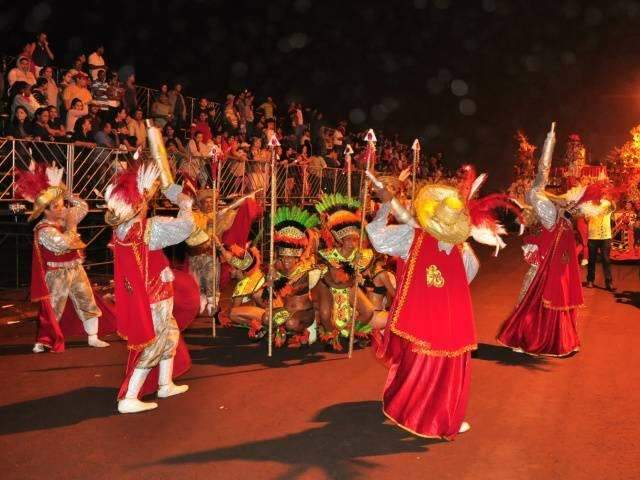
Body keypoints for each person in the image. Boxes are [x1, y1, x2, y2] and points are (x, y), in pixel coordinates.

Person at [366, 166, 513, 439]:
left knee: (435, 370)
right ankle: (428, 415)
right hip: (437, 323)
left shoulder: (423, 241)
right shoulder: (447, 247)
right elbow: (467, 277)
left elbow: (378, 238)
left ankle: (430, 414)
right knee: (433, 371)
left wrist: (386, 206)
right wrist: (387, 206)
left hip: (437, 322)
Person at [105, 160, 194, 414]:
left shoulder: (123, 228)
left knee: (170, 336)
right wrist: (185, 205)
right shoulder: (148, 229)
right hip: (154, 297)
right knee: (154, 345)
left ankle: (165, 383)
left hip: (153, 294)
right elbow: (185, 227)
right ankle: (129, 397)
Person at [497, 124, 593, 357]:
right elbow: (543, 171)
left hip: (548, 259)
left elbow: (543, 170)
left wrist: (550, 140)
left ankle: (533, 339)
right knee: (538, 300)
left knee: (535, 299)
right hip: (549, 257)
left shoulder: (542, 202)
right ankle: (539, 339)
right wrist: (549, 141)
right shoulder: (540, 202)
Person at [14, 162, 112, 353]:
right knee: (53, 308)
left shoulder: (65, 216)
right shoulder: (44, 230)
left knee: (87, 300)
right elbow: (65, 243)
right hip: (56, 274)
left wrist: (65, 193)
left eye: (61, 205)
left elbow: (83, 207)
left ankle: (93, 337)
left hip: (75, 268)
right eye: (56, 206)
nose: (61, 208)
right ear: (46, 210)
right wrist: (72, 225)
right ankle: (44, 340)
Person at [313, 193, 375, 351]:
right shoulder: (329, 254)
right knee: (326, 314)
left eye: (355, 239)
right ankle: (331, 334)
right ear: (340, 239)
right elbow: (334, 276)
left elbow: (355, 278)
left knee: (368, 311)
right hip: (328, 286)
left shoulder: (361, 254)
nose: (352, 243)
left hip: (349, 286)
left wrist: (358, 268)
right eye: (348, 239)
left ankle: (347, 331)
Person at [258, 206, 321, 347]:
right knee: (266, 318)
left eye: (290, 258)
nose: (286, 261)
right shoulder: (275, 270)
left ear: (296, 258)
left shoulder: (306, 270)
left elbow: (318, 293)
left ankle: (303, 332)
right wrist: (270, 281)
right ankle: (283, 330)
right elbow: (268, 297)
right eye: (284, 258)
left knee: (291, 323)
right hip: (286, 311)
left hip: (304, 313)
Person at [585, 197, 616, 291]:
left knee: (606, 259)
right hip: (593, 236)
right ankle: (590, 280)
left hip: (605, 237)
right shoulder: (589, 204)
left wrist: (611, 198)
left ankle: (609, 282)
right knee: (592, 260)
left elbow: (614, 207)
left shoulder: (606, 203)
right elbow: (586, 219)